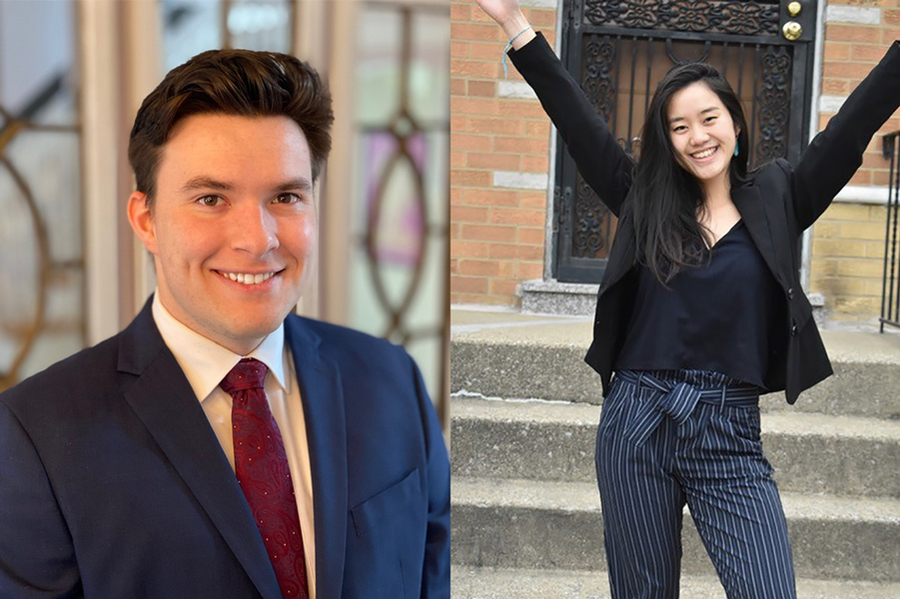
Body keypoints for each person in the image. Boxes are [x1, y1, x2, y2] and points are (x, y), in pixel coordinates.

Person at [475, 0, 900, 597]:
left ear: (735, 122)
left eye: (709, 118)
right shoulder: (644, 200)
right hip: (637, 420)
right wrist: (516, 25)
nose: (697, 136)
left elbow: (849, 131)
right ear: (667, 139)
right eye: (679, 126)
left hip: (728, 430)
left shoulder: (781, 195)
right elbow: (579, 125)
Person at [0, 49, 449, 599]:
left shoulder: (391, 379)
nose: (257, 240)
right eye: (211, 198)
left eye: (285, 196)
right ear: (146, 220)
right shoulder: (35, 435)